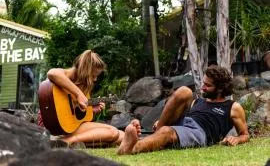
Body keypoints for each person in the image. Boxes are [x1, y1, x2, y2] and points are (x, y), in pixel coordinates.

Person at [117, 65, 249, 155]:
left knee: (166, 132)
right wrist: (161, 120)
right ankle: (153, 134)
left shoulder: (232, 107)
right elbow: (177, 110)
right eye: (203, 83)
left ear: (220, 88)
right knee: (184, 91)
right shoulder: (198, 101)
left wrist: (237, 139)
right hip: (183, 124)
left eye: (207, 86)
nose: (202, 87)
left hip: (200, 132)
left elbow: (245, 134)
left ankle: (132, 148)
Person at [37, 50, 124, 147]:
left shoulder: (83, 86)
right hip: (56, 127)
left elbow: (74, 114)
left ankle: (69, 142)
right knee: (112, 132)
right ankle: (65, 141)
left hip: (69, 126)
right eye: (93, 75)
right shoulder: (65, 74)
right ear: (85, 71)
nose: (95, 79)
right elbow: (52, 73)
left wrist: (91, 110)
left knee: (121, 136)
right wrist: (79, 94)